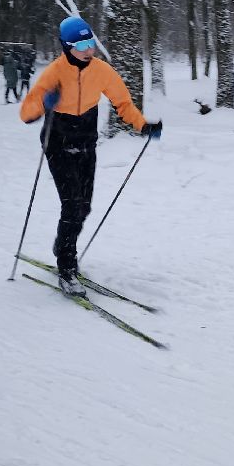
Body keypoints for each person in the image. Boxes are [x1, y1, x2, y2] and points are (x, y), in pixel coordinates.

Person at [19, 16, 162, 296]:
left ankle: (63, 245)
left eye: (91, 42)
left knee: (83, 207)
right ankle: (67, 266)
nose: (88, 50)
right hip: (58, 143)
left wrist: (142, 125)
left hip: (86, 142)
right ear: (66, 45)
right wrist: (43, 104)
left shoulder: (102, 71)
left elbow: (123, 102)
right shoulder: (54, 73)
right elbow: (26, 112)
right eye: (81, 44)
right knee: (71, 205)